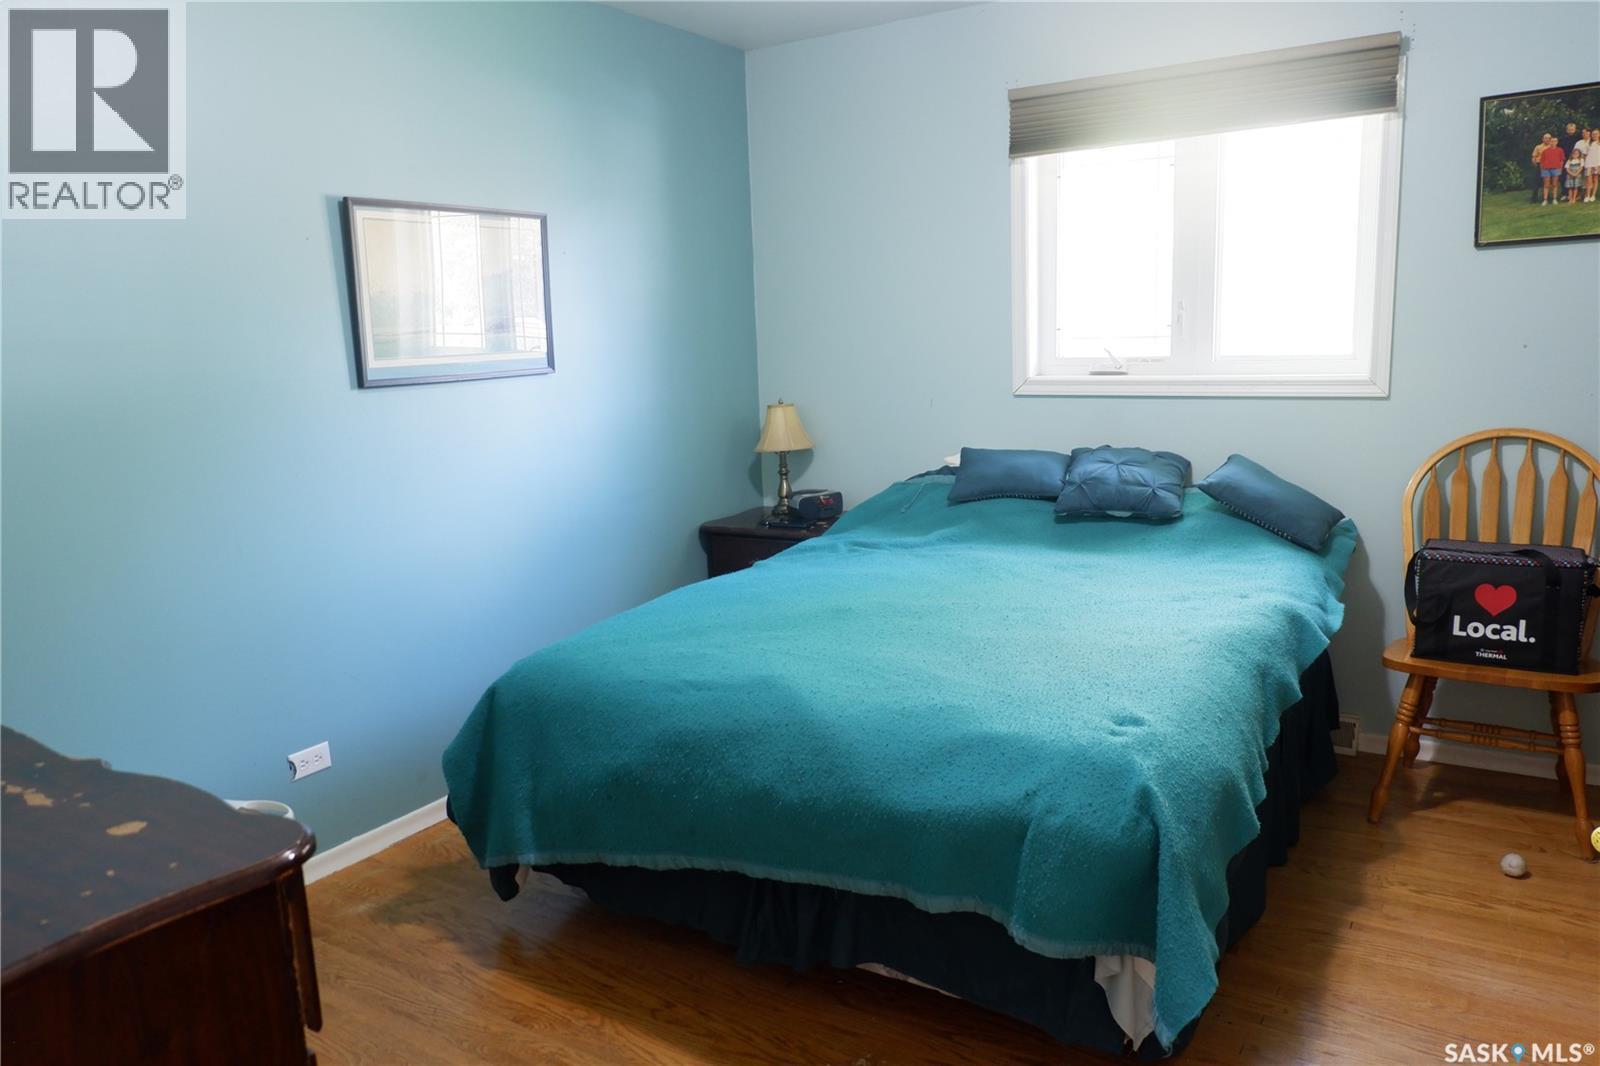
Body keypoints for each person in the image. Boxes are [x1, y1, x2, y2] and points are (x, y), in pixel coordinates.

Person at [1537, 133, 1566, 205]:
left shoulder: (1560, 150)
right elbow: (1541, 161)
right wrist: (1542, 169)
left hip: (1556, 169)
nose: (1553, 143)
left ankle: (1554, 198)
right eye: (1552, 141)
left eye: (1555, 141)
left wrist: (1561, 169)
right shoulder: (1545, 151)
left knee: (1555, 184)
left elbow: (1561, 160)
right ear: (1550, 142)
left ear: (1557, 142)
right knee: (1546, 185)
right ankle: (1545, 199)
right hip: (1546, 169)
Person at [1586, 128, 1600, 203]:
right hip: (1589, 163)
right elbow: (1585, 154)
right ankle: (1587, 195)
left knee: (1595, 180)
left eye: (1596, 134)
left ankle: (1593, 195)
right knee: (1589, 180)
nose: (1594, 135)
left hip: (1597, 163)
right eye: (1593, 134)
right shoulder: (1589, 142)